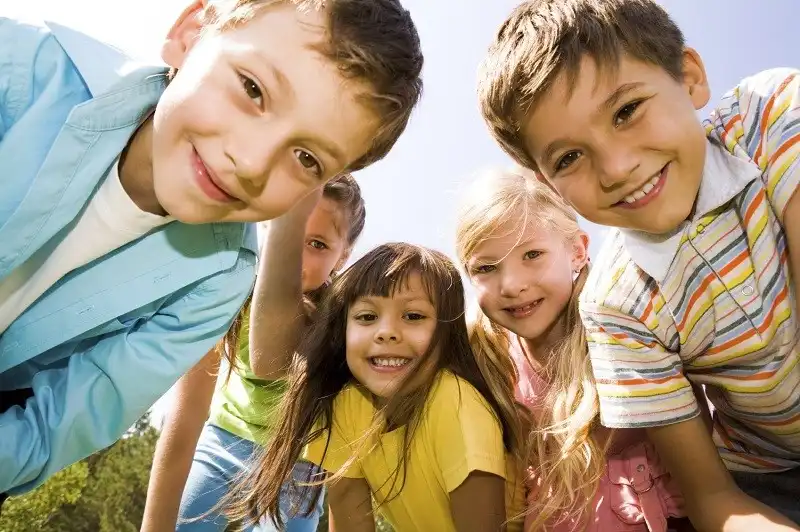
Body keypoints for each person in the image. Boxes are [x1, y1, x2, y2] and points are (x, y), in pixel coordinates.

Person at [0, 0, 423, 497]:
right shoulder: (20, 66)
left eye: (306, 158)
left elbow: (58, 426)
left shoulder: (219, 279)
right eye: (253, 89)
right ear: (191, 33)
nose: (250, 161)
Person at [477, 0, 800, 528]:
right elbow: (713, 498)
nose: (617, 167)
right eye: (568, 158)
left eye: (626, 110)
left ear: (690, 78)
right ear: (548, 186)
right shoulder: (615, 308)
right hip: (763, 481)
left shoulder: (772, 114)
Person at [226, 243, 527, 532]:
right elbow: (348, 518)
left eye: (413, 316)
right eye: (367, 317)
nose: (386, 332)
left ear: (447, 333)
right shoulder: (349, 403)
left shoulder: (457, 403)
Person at [456, 168, 689, 531]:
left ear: (578, 252)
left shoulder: (622, 328)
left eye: (532, 255)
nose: (513, 284)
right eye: (487, 268)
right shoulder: (489, 357)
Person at [141, 174, 365, 532]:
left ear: (344, 256)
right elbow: (186, 414)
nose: (296, 257)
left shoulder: (344, 321)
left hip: (299, 463)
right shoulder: (226, 294)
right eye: (286, 231)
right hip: (223, 442)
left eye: (319, 244)